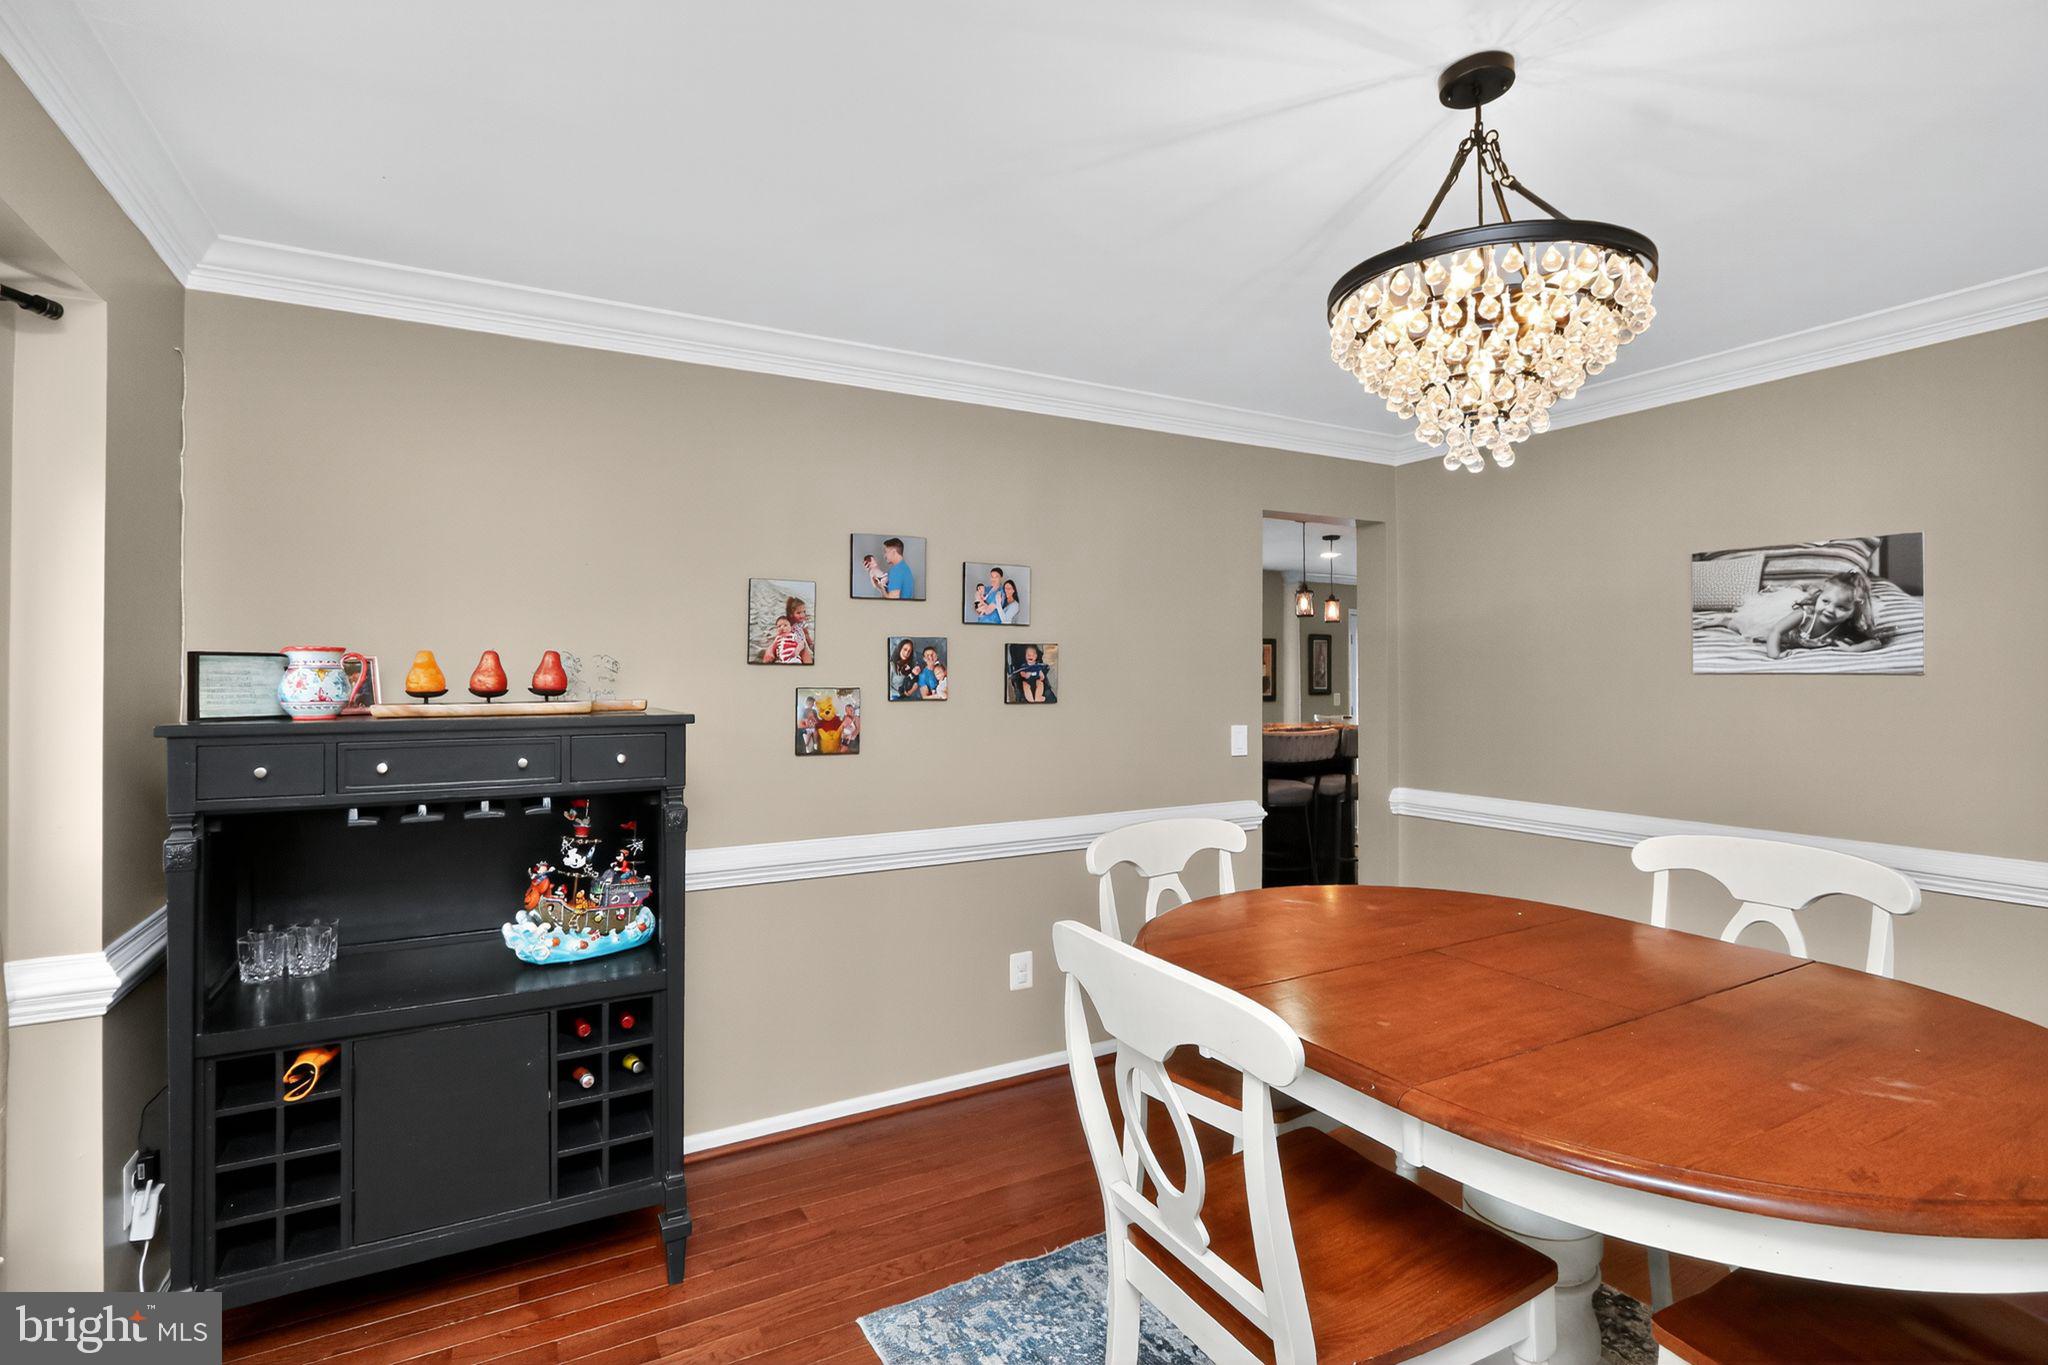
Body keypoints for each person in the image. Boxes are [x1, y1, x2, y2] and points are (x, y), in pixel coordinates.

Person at [1730, 570, 1890, 659]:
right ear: (1819, 596)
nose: (1830, 610)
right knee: (1743, 623)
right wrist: (1774, 655)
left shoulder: (1845, 627)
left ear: (1852, 612)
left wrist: (1853, 650)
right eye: (1826, 601)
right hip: (1779, 628)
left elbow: (1874, 642)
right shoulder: (1804, 614)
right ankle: (1724, 620)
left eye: (1841, 607)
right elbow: (1776, 631)